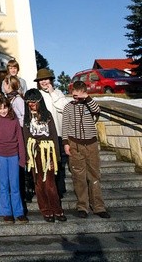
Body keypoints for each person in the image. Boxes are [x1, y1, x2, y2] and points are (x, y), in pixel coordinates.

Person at [62, 81, 110, 219]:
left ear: (84, 92)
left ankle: (98, 206)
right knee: (78, 177)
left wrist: (86, 98)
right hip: (75, 144)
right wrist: (66, 143)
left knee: (94, 176)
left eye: (78, 95)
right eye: (74, 95)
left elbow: (97, 110)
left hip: (91, 145)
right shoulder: (68, 107)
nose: (75, 98)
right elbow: (65, 126)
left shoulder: (90, 105)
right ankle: (82, 206)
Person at [23, 89, 66, 223]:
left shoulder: (47, 116)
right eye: (29, 102)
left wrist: (56, 158)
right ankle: (46, 210)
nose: (32, 105)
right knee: (39, 183)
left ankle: (57, 209)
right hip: (34, 154)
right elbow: (26, 137)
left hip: (48, 153)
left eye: (34, 102)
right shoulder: (27, 119)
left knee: (50, 183)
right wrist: (28, 158)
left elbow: (53, 135)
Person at [0, 95, 28, 224]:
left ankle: (19, 212)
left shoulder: (14, 121)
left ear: (8, 107)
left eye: (4, 107)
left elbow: (20, 140)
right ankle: (6, 212)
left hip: (14, 156)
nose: (3, 111)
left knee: (15, 184)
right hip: (1, 156)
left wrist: (22, 158)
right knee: (4, 185)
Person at [34, 68, 68, 198]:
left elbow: (63, 107)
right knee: (46, 163)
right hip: (44, 135)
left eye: (46, 79)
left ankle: (59, 189)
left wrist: (52, 93)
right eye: (41, 80)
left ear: (51, 80)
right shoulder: (37, 94)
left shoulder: (58, 93)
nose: (44, 82)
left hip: (58, 134)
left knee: (58, 162)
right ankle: (48, 189)